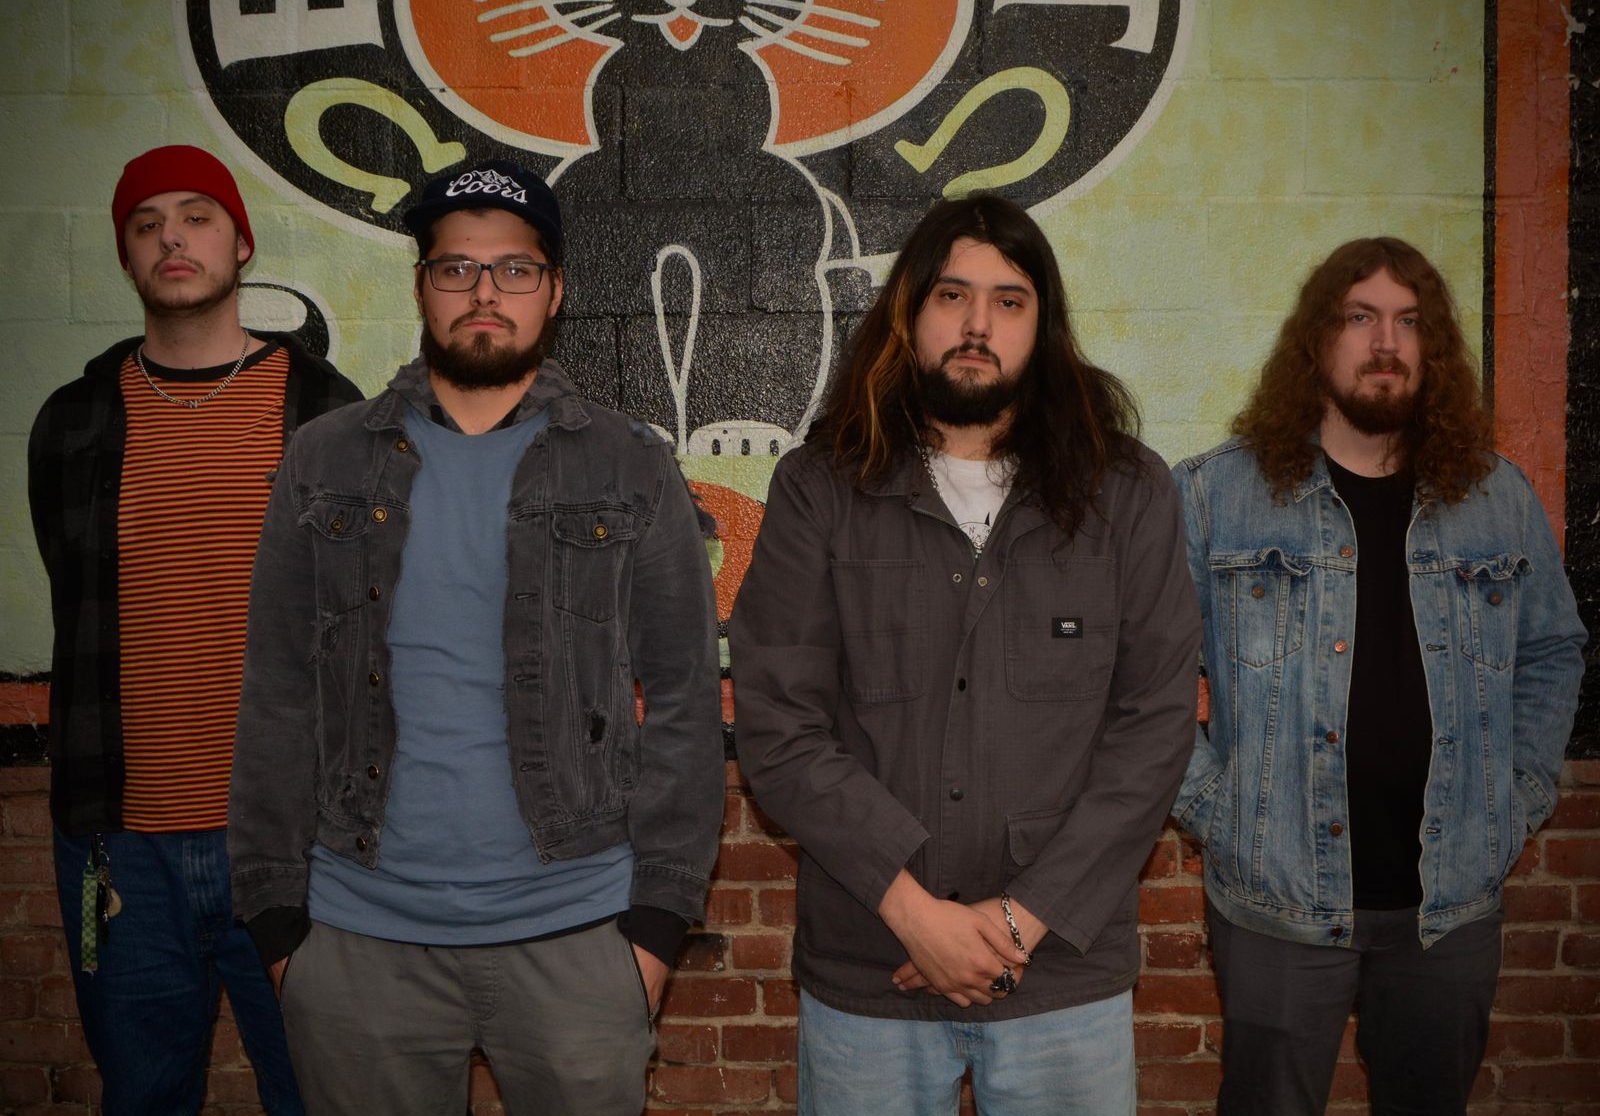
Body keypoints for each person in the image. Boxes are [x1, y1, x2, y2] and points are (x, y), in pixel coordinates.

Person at [227, 159, 724, 1115]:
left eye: (514, 269)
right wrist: (279, 925)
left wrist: (655, 930)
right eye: (457, 268)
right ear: (421, 286)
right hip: (358, 938)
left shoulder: (629, 464)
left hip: (578, 935)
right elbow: (277, 690)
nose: (485, 292)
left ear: (555, 291)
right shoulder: (326, 460)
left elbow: (684, 701)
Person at [730, 194, 1201, 1115]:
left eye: (1008, 301)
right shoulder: (819, 489)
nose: (977, 324)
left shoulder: (1126, 494)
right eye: (952, 295)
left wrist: (1019, 922)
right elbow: (780, 725)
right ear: (908, 313)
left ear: (1043, 326)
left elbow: (1152, 732)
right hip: (872, 965)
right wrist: (916, 916)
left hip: (1063, 973)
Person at [1170, 236, 1587, 1115]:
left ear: (1433, 348)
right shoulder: (1215, 496)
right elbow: (1143, 671)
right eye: (1360, 317)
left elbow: (1553, 651)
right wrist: (1215, 806)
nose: (1386, 342)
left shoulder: (1498, 498)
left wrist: (1517, 795)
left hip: (1450, 906)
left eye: (1409, 321)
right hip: (1277, 902)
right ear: (1316, 340)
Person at [27, 144, 361, 1113]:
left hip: (298, 837)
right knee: (142, 1096)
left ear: (241, 243)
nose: (171, 237)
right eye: (147, 224)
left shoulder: (328, 414)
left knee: (327, 1094)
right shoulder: (74, 423)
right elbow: (76, 596)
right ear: (127, 257)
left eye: (196, 216)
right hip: (120, 848)